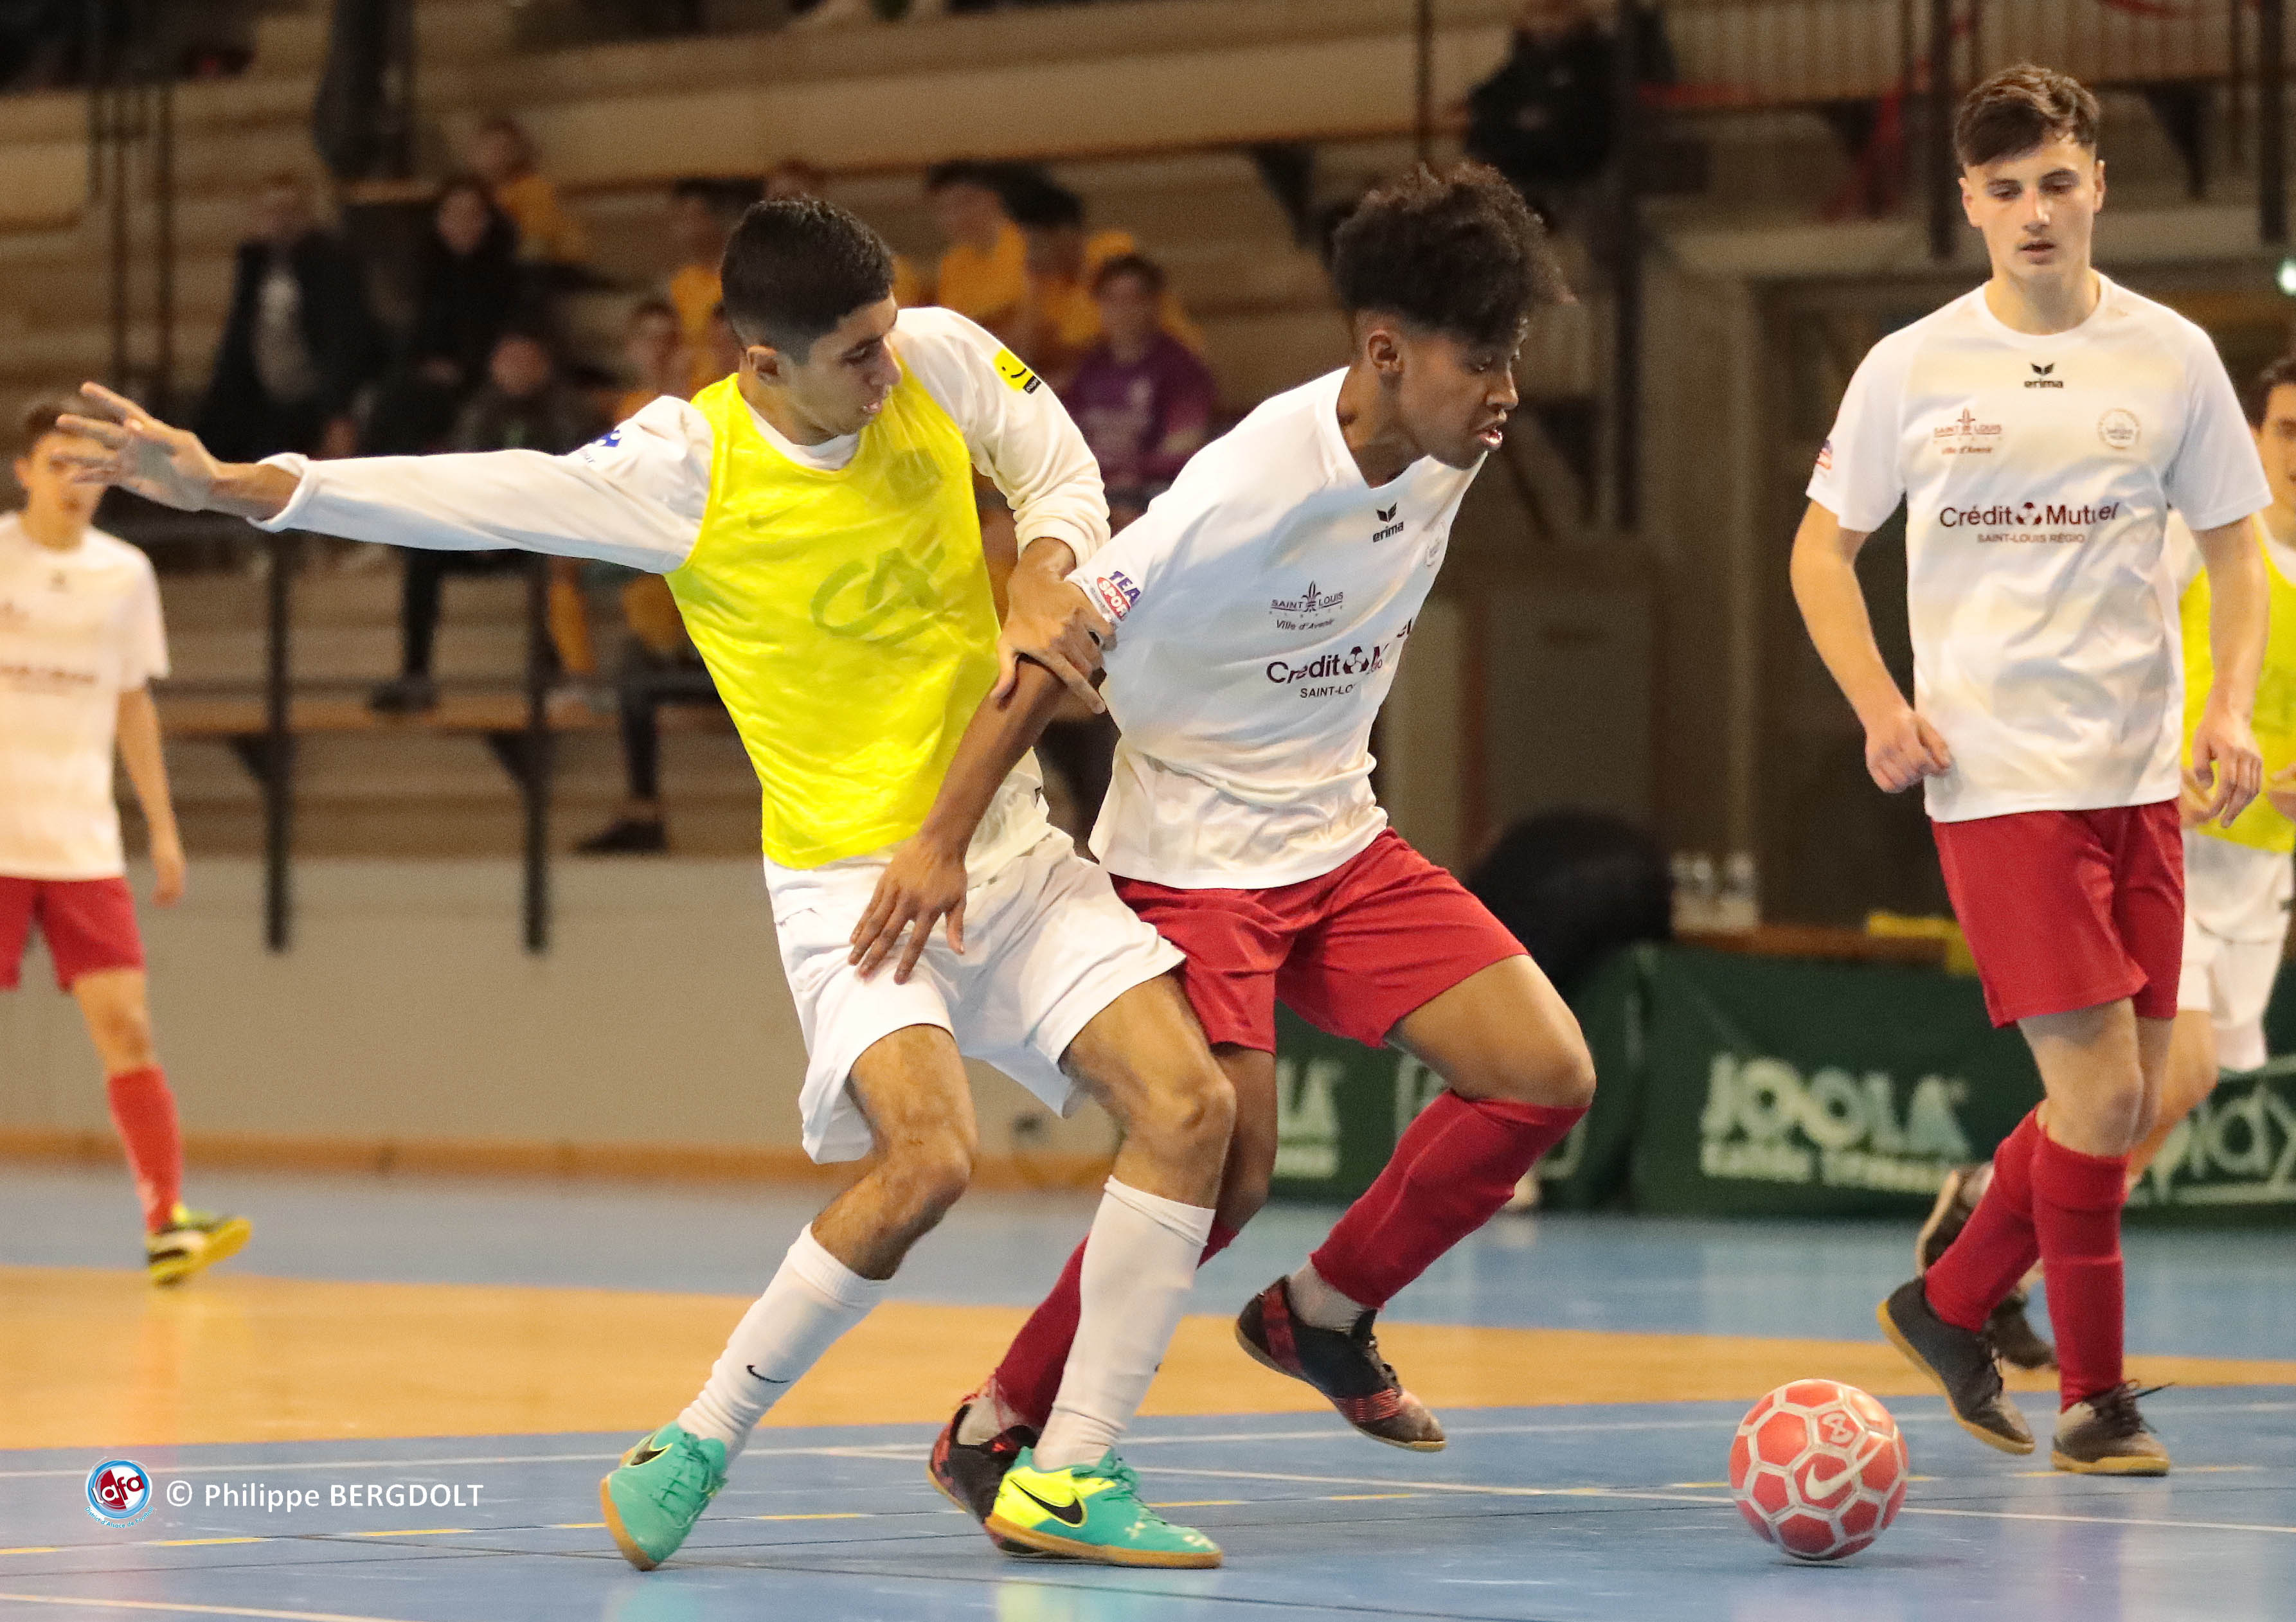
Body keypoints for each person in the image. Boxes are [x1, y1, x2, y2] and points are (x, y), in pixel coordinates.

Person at [58, 195, 1239, 1572]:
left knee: (1192, 1109)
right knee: (927, 1159)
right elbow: (465, 492)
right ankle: (695, 1437)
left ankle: (1072, 1464)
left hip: (1009, 847)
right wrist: (240, 486)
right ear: (761, 362)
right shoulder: (682, 469)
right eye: (855, 354)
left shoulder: (933, 352)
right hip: (848, 881)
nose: (888, 367)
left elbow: (1056, 463)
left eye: (886, 335)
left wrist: (1045, 564)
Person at [843, 163, 1593, 1526]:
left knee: (1542, 1075)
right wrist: (941, 838)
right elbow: (1052, 643)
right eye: (1481, 360)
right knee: (1225, 1173)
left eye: (1512, 356)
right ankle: (998, 1419)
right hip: (1192, 855)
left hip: (1340, 838)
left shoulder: (1450, 446)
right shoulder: (1244, 485)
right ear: (1384, 352)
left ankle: (1324, 1311)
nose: (1506, 391)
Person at [1791, 65, 2270, 1477]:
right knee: (2105, 1100)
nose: (2035, 211)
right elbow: (1819, 553)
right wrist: (1879, 705)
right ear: (1969, 203)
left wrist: (2226, 709)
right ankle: (2093, 1399)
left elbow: (2238, 552)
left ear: (2097, 184)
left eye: (2057, 181)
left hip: (2141, 784)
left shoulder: (2172, 355)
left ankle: (1945, 1301)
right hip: (1997, 782)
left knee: (2128, 1092)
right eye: (2004, 190)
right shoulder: (1911, 364)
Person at [2, 401, 249, 1286]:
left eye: (89, 468)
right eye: (56, 464)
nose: (74, 483)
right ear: (23, 473)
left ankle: (166, 1222)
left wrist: (165, 828)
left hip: (80, 843)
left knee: (128, 1029)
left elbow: (132, 703)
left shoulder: (126, 575)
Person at [370, 331, 599, 714]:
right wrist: (478, 523)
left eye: (524, 360)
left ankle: (550, 675)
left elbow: (573, 479)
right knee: (423, 554)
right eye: (507, 360)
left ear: (544, 364)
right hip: (485, 527)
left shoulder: (571, 412)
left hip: (542, 529)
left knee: (551, 561)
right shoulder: (478, 411)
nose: (515, 369)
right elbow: (462, 472)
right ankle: (415, 675)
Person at [197, 173, 380, 464]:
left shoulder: (331, 262)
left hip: (314, 398)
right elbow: (238, 339)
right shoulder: (254, 264)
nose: (281, 221)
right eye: (272, 212)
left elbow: (343, 341)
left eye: (289, 211)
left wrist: (337, 411)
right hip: (263, 398)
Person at [363, 177, 530, 457]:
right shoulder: (421, 270)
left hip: (483, 378)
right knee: (393, 400)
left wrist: (463, 368)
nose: (462, 223)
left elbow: (511, 336)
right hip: (422, 375)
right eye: (453, 214)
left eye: (472, 215)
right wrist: (423, 364)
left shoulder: (510, 277)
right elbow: (407, 334)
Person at [1061, 254, 1217, 527]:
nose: (1122, 310)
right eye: (1112, 299)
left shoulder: (1183, 369)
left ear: (1154, 304)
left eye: (1134, 299)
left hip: (1153, 497)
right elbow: (1066, 437)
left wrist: (1126, 474)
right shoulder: (1089, 366)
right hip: (1093, 491)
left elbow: (1183, 447)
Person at [1003, 177, 1202, 384]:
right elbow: (1029, 355)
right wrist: (1031, 293)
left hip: (1165, 376)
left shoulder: (1113, 253)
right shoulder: (1048, 283)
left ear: (1065, 235)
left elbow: (1113, 342)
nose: (1029, 256)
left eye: (1035, 245)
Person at [469, 114, 590, 270]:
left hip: (554, 267)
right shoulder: (470, 192)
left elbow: (536, 245)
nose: (493, 154)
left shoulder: (534, 189)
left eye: (501, 148)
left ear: (515, 154)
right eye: (486, 147)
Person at [924, 160, 1029, 338]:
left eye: (966, 203)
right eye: (945, 209)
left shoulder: (1027, 246)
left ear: (993, 198)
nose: (956, 217)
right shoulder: (952, 262)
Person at [663, 181, 730, 396]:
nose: (688, 227)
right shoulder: (680, 284)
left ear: (716, 219)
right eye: (681, 219)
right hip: (691, 394)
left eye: (694, 216)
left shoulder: (740, 276)